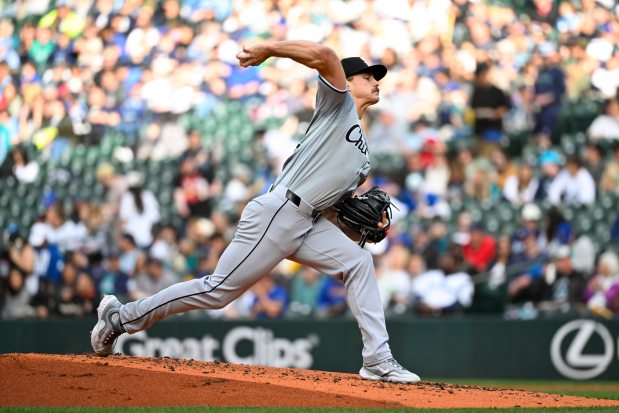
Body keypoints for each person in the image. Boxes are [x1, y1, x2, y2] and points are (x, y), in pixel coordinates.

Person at [90, 40, 420, 383]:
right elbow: (325, 56)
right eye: (367, 76)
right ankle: (121, 316)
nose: (375, 81)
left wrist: (366, 228)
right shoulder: (338, 107)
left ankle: (378, 360)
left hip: (307, 221)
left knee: (359, 261)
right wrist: (269, 49)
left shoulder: (363, 158)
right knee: (217, 291)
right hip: (279, 212)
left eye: (376, 77)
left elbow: (335, 213)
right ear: (346, 82)